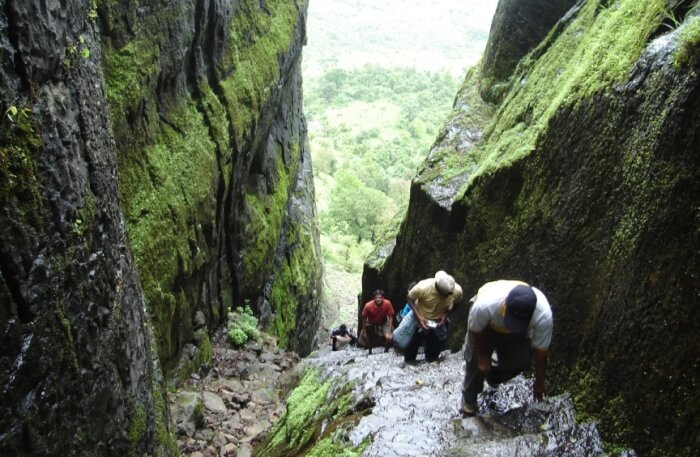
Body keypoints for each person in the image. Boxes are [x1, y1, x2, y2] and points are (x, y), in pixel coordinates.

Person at [460, 280, 553, 417]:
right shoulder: (485, 304)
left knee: (520, 362)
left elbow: (541, 352)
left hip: (517, 333)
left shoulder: (543, 315)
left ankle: (493, 377)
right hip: (486, 326)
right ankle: (469, 400)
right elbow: (476, 330)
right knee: (475, 364)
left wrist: (539, 382)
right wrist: (482, 355)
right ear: (505, 303)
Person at [404, 271, 462, 363]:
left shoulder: (456, 291)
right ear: (438, 289)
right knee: (411, 350)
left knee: (434, 353)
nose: (448, 295)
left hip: (438, 322)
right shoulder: (422, 287)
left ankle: (430, 364)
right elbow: (409, 298)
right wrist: (419, 317)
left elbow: (457, 303)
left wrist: (446, 315)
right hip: (420, 319)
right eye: (445, 294)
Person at [361, 289, 394, 354]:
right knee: (364, 337)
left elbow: (390, 317)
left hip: (383, 321)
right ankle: (370, 350)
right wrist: (364, 331)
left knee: (389, 336)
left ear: (383, 298)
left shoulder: (387, 303)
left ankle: (386, 350)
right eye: (376, 298)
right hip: (371, 322)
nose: (378, 299)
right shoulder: (368, 305)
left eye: (380, 297)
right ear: (374, 298)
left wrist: (389, 332)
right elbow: (364, 318)